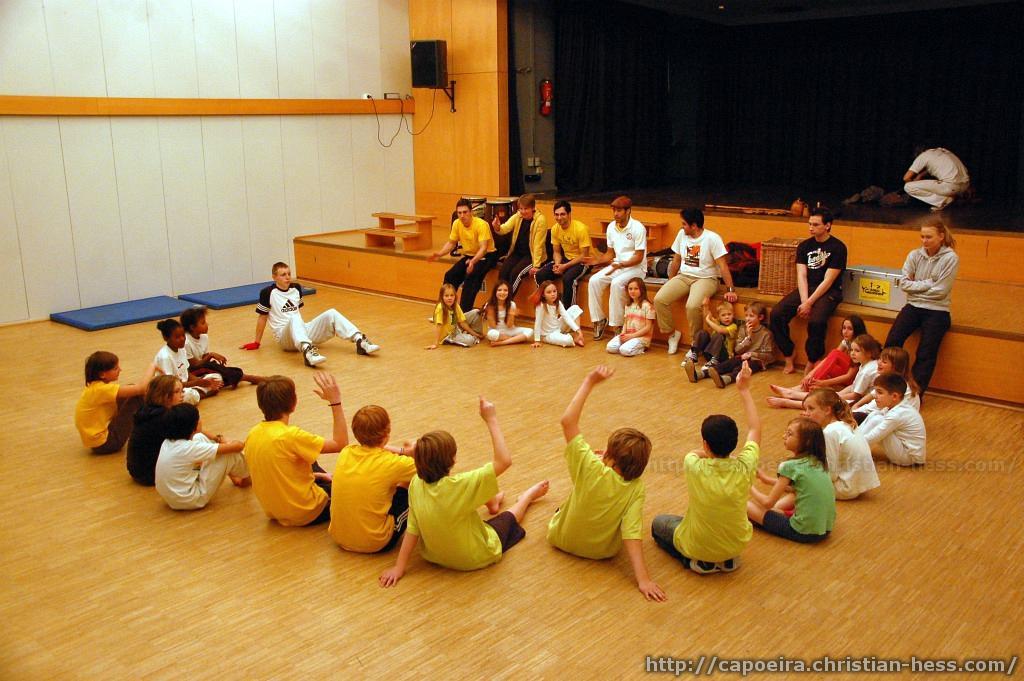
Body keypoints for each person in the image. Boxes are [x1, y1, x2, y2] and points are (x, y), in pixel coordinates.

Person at [378, 397, 550, 586]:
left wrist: (399, 567)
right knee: (507, 518)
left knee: (475, 493)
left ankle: (493, 499)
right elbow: (504, 461)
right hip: (474, 556)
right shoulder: (461, 484)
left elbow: (413, 528)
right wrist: (491, 419)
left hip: (434, 556)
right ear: (453, 460)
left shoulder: (416, 484)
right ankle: (527, 497)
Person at [547, 366, 665, 600]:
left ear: (609, 455)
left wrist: (589, 381)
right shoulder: (636, 488)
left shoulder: (590, 465)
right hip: (602, 553)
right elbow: (631, 532)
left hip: (560, 539)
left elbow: (567, 422)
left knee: (567, 502)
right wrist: (643, 580)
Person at [652, 361, 760, 575]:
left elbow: (694, 453)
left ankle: (698, 561)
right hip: (735, 546)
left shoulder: (693, 464)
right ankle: (726, 560)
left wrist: (707, 452)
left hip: (698, 546)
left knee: (658, 523)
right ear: (734, 443)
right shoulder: (745, 464)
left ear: (705, 444)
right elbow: (755, 428)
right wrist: (744, 390)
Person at [244, 373, 348, 526]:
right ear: (294, 403)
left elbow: (277, 471)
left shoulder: (253, 433)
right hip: (307, 512)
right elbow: (341, 444)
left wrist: (317, 476)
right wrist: (335, 402)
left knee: (308, 457)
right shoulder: (291, 436)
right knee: (353, 485)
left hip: (274, 511)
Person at [241, 262, 379, 367]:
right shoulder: (267, 293)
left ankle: (360, 341)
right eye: (283, 275)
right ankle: (308, 352)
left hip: (300, 331)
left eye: (289, 273)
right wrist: (256, 342)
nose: (287, 277)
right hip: (284, 338)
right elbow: (262, 317)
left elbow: (298, 312)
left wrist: (302, 331)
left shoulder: (296, 288)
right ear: (274, 277)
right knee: (294, 318)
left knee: (331, 313)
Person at [884, 219, 959, 396]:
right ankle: (890, 385)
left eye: (929, 237)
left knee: (926, 353)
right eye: (922, 236)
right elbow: (904, 284)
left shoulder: (951, 258)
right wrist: (929, 283)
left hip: (937, 310)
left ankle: (915, 395)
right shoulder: (914, 255)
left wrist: (916, 287)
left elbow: (941, 291)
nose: (924, 241)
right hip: (913, 306)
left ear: (941, 236)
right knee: (892, 342)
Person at [768, 207, 848, 375]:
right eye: (810, 224)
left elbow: (828, 280)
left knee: (817, 321)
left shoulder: (838, 247)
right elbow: (802, 275)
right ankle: (788, 353)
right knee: (776, 314)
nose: (811, 228)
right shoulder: (805, 246)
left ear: (827, 225)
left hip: (829, 291)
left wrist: (809, 303)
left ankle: (813, 360)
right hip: (807, 289)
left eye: (816, 224)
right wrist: (805, 301)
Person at [328, 405, 417, 553]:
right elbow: (427, 468)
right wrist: (413, 451)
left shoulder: (346, 452)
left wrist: (404, 451)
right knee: (411, 485)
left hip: (339, 538)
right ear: (387, 433)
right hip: (376, 543)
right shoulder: (392, 463)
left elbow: (379, 450)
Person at [653, 208, 739, 355]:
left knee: (692, 306)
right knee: (659, 299)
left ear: (694, 226)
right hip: (684, 276)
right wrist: (670, 281)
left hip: (706, 279)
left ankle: (696, 342)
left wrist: (730, 290)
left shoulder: (712, 238)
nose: (682, 227)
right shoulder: (681, 235)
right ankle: (672, 334)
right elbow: (676, 260)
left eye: (684, 224)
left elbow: (723, 266)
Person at [747, 417, 835, 544]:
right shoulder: (817, 461)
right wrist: (766, 479)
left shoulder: (790, 466)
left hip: (803, 532)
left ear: (806, 441)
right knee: (782, 502)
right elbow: (798, 488)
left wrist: (748, 485)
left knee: (746, 505)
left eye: (789, 434)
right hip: (825, 529)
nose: (783, 436)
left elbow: (768, 503)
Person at [154, 403, 249, 511]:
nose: (201, 420)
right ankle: (248, 476)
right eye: (198, 418)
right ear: (193, 427)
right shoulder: (189, 448)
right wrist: (225, 441)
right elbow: (238, 446)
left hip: (172, 497)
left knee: (199, 437)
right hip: (191, 499)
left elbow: (200, 434)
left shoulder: (167, 442)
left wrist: (218, 439)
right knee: (229, 455)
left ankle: (235, 473)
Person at [585, 196, 647, 341]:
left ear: (628, 211)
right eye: (614, 210)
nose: (615, 214)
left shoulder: (638, 228)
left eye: (619, 211)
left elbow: (639, 257)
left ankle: (618, 325)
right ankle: (599, 319)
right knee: (594, 280)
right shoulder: (611, 227)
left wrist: (622, 264)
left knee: (616, 283)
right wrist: (596, 261)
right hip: (618, 265)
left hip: (636, 268)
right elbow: (610, 254)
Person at [801, 388, 880, 500]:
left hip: (845, 488)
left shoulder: (830, 432)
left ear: (827, 410)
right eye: (806, 409)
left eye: (811, 409)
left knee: (800, 477)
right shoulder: (847, 423)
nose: (806, 413)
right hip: (859, 485)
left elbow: (831, 474)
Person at [767, 333, 880, 409]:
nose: (852, 353)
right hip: (859, 397)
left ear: (869, 353)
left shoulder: (867, 370)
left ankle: (789, 402)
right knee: (827, 395)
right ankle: (791, 394)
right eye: (852, 350)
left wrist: (835, 396)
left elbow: (856, 396)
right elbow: (853, 387)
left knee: (823, 403)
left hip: (863, 403)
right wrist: (838, 394)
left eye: (857, 351)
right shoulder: (865, 364)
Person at [75, 351, 155, 454]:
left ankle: (144, 427)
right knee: (137, 397)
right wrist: (153, 366)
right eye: (115, 368)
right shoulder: (102, 390)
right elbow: (141, 389)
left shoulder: (95, 387)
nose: (120, 370)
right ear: (102, 374)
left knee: (130, 390)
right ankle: (152, 429)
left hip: (96, 442)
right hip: (106, 444)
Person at [427, 198, 498, 313]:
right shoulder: (457, 223)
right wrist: (439, 254)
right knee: (450, 275)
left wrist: (473, 262)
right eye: (459, 213)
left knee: (471, 278)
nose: (462, 215)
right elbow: (451, 243)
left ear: (471, 212)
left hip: (487, 255)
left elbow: (483, 248)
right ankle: (445, 310)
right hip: (470, 256)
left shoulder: (481, 224)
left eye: (465, 212)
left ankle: (464, 314)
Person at [181, 306, 263, 388]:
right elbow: (194, 365)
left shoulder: (204, 337)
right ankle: (249, 378)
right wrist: (211, 355)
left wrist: (215, 363)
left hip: (202, 368)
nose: (207, 325)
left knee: (217, 369)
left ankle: (235, 378)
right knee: (212, 366)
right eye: (203, 323)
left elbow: (204, 358)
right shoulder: (186, 342)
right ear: (192, 327)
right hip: (191, 372)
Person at [126, 375, 184, 486]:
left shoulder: (147, 410)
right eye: (177, 392)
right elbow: (189, 436)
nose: (182, 395)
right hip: (150, 474)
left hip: (137, 470)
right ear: (165, 396)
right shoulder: (163, 417)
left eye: (182, 391)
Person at [859, 374, 927, 466]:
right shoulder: (896, 407)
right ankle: (855, 447)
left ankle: (855, 449)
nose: (875, 396)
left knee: (877, 420)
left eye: (880, 392)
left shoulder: (897, 414)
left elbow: (875, 435)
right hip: (906, 452)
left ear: (894, 396)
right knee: (875, 415)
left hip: (910, 458)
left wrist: (852, 445)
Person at [491, 194, 550, 299]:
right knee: (503, 271)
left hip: (532, 256)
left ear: (533, 208)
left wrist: (536, 265)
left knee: (516, 274)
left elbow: (538, 245)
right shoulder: (518, 216)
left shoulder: (540, 220)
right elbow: (505, 228)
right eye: (521, 209)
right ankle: (496, 300)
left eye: (526, 209)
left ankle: (507, 301)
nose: (522, 211)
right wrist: (497, 227)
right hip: (517, 253)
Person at [534, 200, 592, 308]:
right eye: (556, 215)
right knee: (540, 274)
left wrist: (564, 266)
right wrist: (557, 264)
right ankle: (549, 307)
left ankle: (569, 311)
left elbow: (584, 255)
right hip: (565, 259)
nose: (559, 218)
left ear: (569, 214)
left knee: (568, 278)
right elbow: (556, 252)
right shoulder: (555, 229)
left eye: (562, 214)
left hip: (583, 262)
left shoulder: (580, 229)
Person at [705, 302, 774, 388]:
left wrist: (752, 354)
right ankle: (702, 374)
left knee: (742, 368)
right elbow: (737, 350)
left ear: (760, 317)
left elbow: (770, 357)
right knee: (730, 362)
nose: (747, 319)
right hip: (742, 357)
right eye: (746, 315)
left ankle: (725, 380)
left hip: (757, 361)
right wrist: (748, 338)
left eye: (751, 316)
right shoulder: (743, 329)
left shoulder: (766, 334)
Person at [154, 318, 216, 404]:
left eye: (183, 335)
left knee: (215, 377)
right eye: (177, 337)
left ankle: (199, 392)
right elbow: (170, 386)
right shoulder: (165, 357)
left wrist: (202, 381)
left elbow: (186, 374)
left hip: (185, 386)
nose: (182, 339)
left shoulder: (181, 349)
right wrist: (196, 383)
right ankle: (201, 394)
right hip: (169, 391)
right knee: (187, 395)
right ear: (166, 338)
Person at [852, 346, 920, 421]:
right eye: (879, 359)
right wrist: (857, 405)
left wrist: (855, 411)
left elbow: (874, 408)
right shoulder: (890, 381)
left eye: (884, 362)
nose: (879, 363)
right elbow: (873, 394)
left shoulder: (901, 387)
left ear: (895, 367)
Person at [681, 300, 739, 381]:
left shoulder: (733, 327)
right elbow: (708, 316)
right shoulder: (718, 322)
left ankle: (714, 361)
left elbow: (720, 330)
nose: (727, 317)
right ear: (719, 317)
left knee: (718, 335)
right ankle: (694, 355)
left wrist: (708, 321)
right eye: (723, 315)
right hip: (710, 354)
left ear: (733, 315)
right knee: (702, 333)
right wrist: (705, 306)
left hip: (724, 356)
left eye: (729, 314)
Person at [903, 147, 970, 211]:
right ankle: (955, 197)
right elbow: (934, 167)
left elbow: (906, 178)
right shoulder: (943, 151)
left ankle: (944, 201)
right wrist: (920, 175)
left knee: (908, 186)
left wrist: (912, 184)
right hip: (965, 187)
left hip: (950, 187)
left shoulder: (923, 156)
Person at [605, 278, 656, 357]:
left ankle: (641, 348)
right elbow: (626, 323)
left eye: (636, 289)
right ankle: (627, 346)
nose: (632, 291)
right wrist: (623, 334)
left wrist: (632, 336)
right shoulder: (628, 305)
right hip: (628, 335)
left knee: (624, 351)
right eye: (630, 289)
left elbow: (648, 327)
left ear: (642, 290)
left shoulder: (648, 306)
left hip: (641, 338)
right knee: (610, 348)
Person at [428, 283, 484, 349]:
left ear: (455, 296)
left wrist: (475, 334)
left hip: (456, 328)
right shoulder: (440, 308)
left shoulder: (455, 305)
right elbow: (439, 326)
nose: (449, 298)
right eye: (446, 296)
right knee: (470, 340)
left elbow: (462, 322)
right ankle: (471, 337)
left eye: (452, 295)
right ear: (442, 297)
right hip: (449, 335)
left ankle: (475, 335)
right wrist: (436, 343)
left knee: (476, 312)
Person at [533, 281, 585, 348]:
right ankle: (571, 336)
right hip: (548, 335)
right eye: (549, 292)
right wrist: (537, 340)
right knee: (567, 340)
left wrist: (578, 330)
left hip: (557, 327)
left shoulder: (558, 303)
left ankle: (577, 336)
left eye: (554, 291)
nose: (553, 294)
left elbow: (566, 317)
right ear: (543, 294)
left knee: (575, 308)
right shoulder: (541, 305)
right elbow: (538, 323)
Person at [483, 280, 532, 346]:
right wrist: (490, 313)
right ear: (495, 292)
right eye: (499, 290)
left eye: (505, 290)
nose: (502, 292)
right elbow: (493, 326)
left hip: (509, 330)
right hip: (496, 331)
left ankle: (501, 343)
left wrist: (511, 314)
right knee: (491, 334)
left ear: (508, 292)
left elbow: (510, 325)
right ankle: (515, 339)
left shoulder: (512, 304)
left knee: (530, 331)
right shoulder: (489, 305)